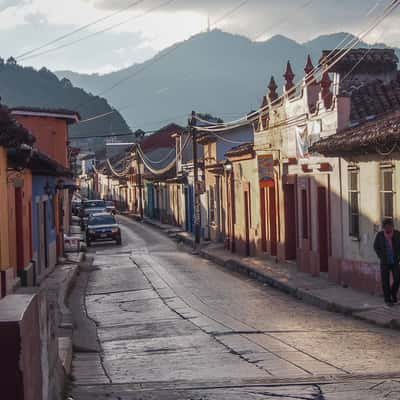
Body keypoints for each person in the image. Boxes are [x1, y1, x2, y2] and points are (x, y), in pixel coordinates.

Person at [374, 218, 400, 306]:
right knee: (385, 281)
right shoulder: (380, 235)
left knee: (397, 278)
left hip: (395, 261)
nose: (388, 229)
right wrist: (380, 256)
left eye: (390, 227)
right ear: (384, 227)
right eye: (386, 227)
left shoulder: (397, 234)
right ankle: (387, 299)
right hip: (384, 262)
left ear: (392, 226)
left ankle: (393, 294)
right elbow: (375, 246)